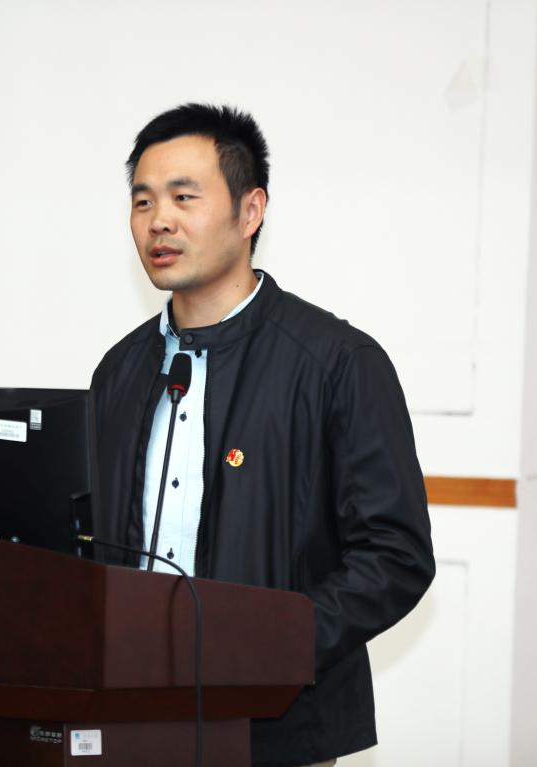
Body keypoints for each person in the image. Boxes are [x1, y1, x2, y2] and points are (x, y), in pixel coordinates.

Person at [89, 104, 436, 766]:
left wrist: (274, 643)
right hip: (129, 718)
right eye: (143, 201)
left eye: (183, 197)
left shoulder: (337, 362)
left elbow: (396, 555)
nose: (158, 221)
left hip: (277, 727)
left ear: (250, 212)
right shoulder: (119, 372)